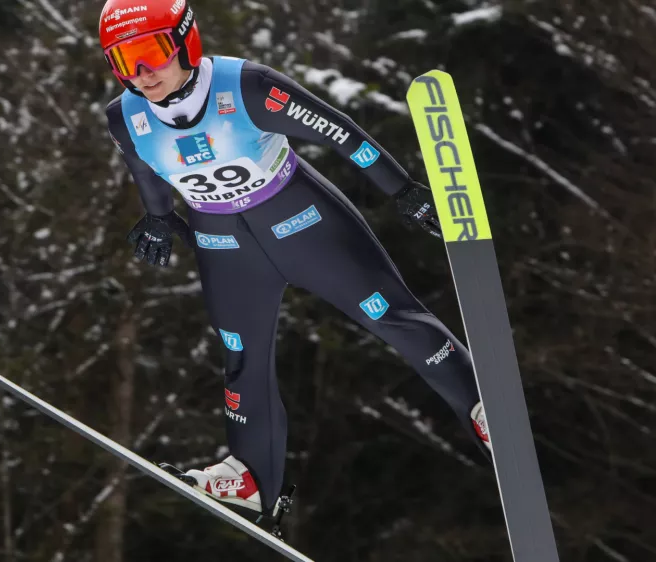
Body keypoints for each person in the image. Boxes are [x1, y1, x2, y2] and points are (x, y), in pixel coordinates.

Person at [99, 0, 492, 517]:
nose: (141, 73)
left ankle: (482, 409)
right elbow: (144, 166)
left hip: (303, 222)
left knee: (389, 314)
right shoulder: (123, 117)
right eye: (123, 61)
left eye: (150, 53)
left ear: (185, 40)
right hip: (225, 245)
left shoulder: (248, 87)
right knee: (241, 357)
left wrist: (401, 190)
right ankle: (253, 476)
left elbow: (339, 131)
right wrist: (157, 216)